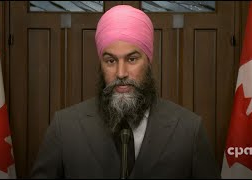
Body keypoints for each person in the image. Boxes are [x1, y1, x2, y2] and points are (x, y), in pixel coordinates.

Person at [30, 5, 220, 179]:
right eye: (111, 61)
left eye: (131, 59)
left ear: (148, 61)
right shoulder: (64, 127)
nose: (121, 73)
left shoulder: (189, 130)